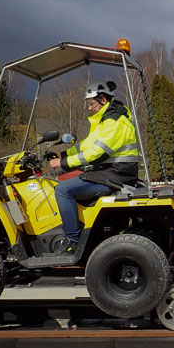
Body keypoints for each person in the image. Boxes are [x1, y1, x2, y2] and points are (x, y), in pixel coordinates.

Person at [48, 80, 139, 252]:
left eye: (92, 104)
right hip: (111, 173)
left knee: (62, 190)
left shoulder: (114, 121)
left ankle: (71, 241)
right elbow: (87, 144)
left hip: (114, 175)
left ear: (103, 100)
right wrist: (64, 154)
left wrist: (63, 164)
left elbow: (97, 153)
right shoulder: (106, 120)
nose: (89, 108)